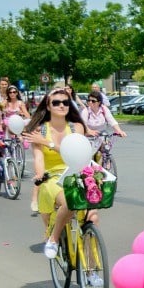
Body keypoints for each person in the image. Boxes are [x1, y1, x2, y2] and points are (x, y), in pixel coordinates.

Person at [22, 89, 93, 251]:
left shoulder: (77, 128)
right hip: (52, 176)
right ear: (48, 106)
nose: (62, 106)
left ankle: (92, 269)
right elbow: (39, 158)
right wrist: (40, 175)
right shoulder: (40, 130)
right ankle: (54, 239)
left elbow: (76, 154)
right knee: (69, 202)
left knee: (92, 218)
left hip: (77, 173)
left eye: (65, 102)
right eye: (56, 103)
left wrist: (48, 143)